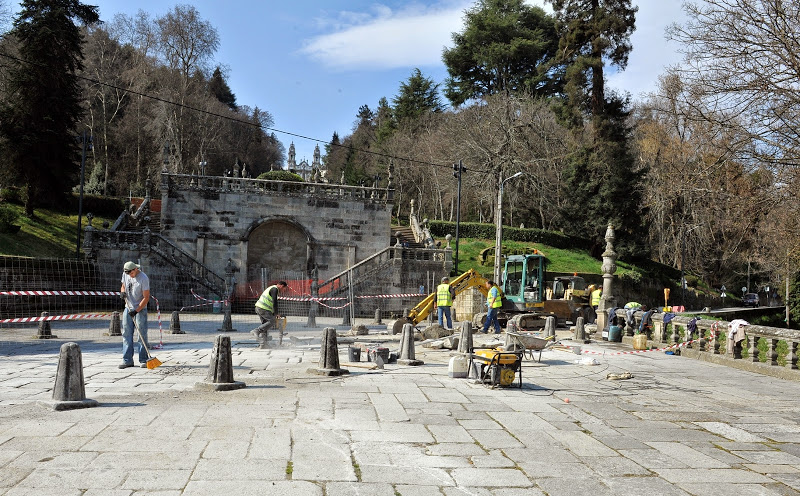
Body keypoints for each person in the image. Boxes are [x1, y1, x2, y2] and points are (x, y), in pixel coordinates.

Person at [119, 261, 151, 369]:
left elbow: (146, 298)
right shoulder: (126, 274)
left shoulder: (143, 278)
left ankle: (144, 359)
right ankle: (127, 360)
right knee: (126, 334)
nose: (129, 276)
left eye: (131, 274)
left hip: (140, 309)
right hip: (128, 307)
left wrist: (137, 310)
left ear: (135, 269)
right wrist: (122, 292)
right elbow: (123, 285)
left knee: (141, 335)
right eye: (127, 274)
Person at [252, 281, 288, 347]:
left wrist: (274, 313)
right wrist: (276, 314)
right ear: (281, 286)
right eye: (284, 289)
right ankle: (256, 330)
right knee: (272, 321)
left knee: (265, 326)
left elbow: (271, 302)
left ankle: (263, 344)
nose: (283, 291)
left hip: (259, 307)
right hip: (263, 308)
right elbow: (275, 302)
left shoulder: (272, 288)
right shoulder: (275, 289)